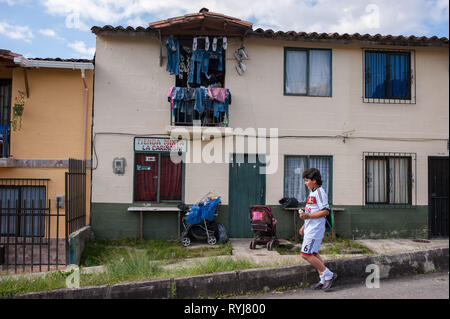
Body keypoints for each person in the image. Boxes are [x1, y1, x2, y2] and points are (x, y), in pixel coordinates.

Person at [299, 167, 338, 291]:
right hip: (310, 228)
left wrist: (308, 216)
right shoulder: (312, 192)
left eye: (306, 181)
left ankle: (329, 275)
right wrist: (304, 224)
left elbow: (325, 211)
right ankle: (322, 280)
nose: (305, 183)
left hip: (315, 230)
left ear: (314, 180)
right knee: (314, 253)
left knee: (305, 254)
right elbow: (311, 211)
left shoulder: (320, 193)